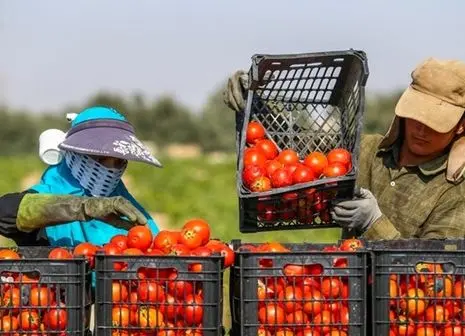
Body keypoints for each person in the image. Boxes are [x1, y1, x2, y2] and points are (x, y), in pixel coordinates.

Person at [223, 57, 465, 240]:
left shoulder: (456, 192)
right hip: (345, 294)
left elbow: (434, 276)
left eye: (434, 123)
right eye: (415, 117)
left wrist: (374, 223)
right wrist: (255, 105)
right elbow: (295, 149)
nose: (421, 129)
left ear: (460, 126)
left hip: (401, 306)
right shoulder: (368, 150)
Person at [0, 105, 162, 248]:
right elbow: (4, 212)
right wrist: (84, 207)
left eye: (119, 161)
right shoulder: (44, 199)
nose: (110, 170)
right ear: (74, 154)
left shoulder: (126, 209)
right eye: (100, 159)